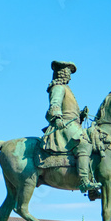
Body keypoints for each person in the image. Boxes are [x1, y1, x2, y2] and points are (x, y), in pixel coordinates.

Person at [41, 60, 101, 192]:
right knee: (84, 144)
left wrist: (81, 115)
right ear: (62, 73)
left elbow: (69, 111)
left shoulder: (66, 89)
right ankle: (85, 181)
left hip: (73, 124)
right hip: (64, 126)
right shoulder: (58, 87)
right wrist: (57, 117)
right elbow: (54, 104)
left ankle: (92, 182)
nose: (70, 76)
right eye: (68, 72)